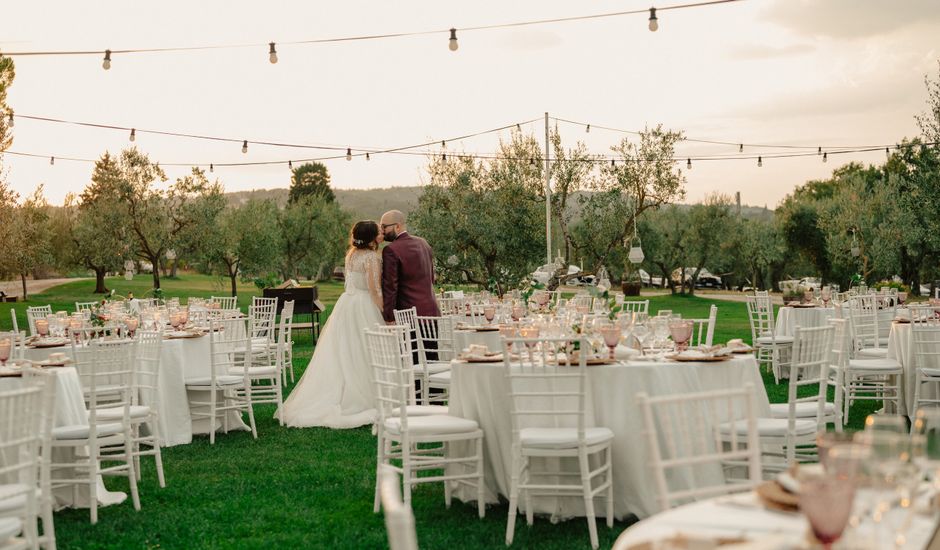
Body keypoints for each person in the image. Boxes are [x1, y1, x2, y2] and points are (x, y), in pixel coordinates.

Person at [279, 221, 384, 429]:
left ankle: (342, 391)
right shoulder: (372, 258)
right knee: (366, 349)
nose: (380, 234)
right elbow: (374, 290)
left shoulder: (351, 255)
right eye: (378, 232)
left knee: (345, 350)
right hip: (364, 305)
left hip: (347, 305)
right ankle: (366, 396)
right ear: (372, 237)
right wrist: (384, 310)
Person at [379, 210, 441, 323]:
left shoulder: (390, 250)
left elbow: (390, 287)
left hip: (409, 316)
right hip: (431, 312)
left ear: (397, 226)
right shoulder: (423, 243)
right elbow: (431, 278)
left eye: (384, 227)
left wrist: (388, 317)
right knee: (431, 342)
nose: (382, 231)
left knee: (410, 342)